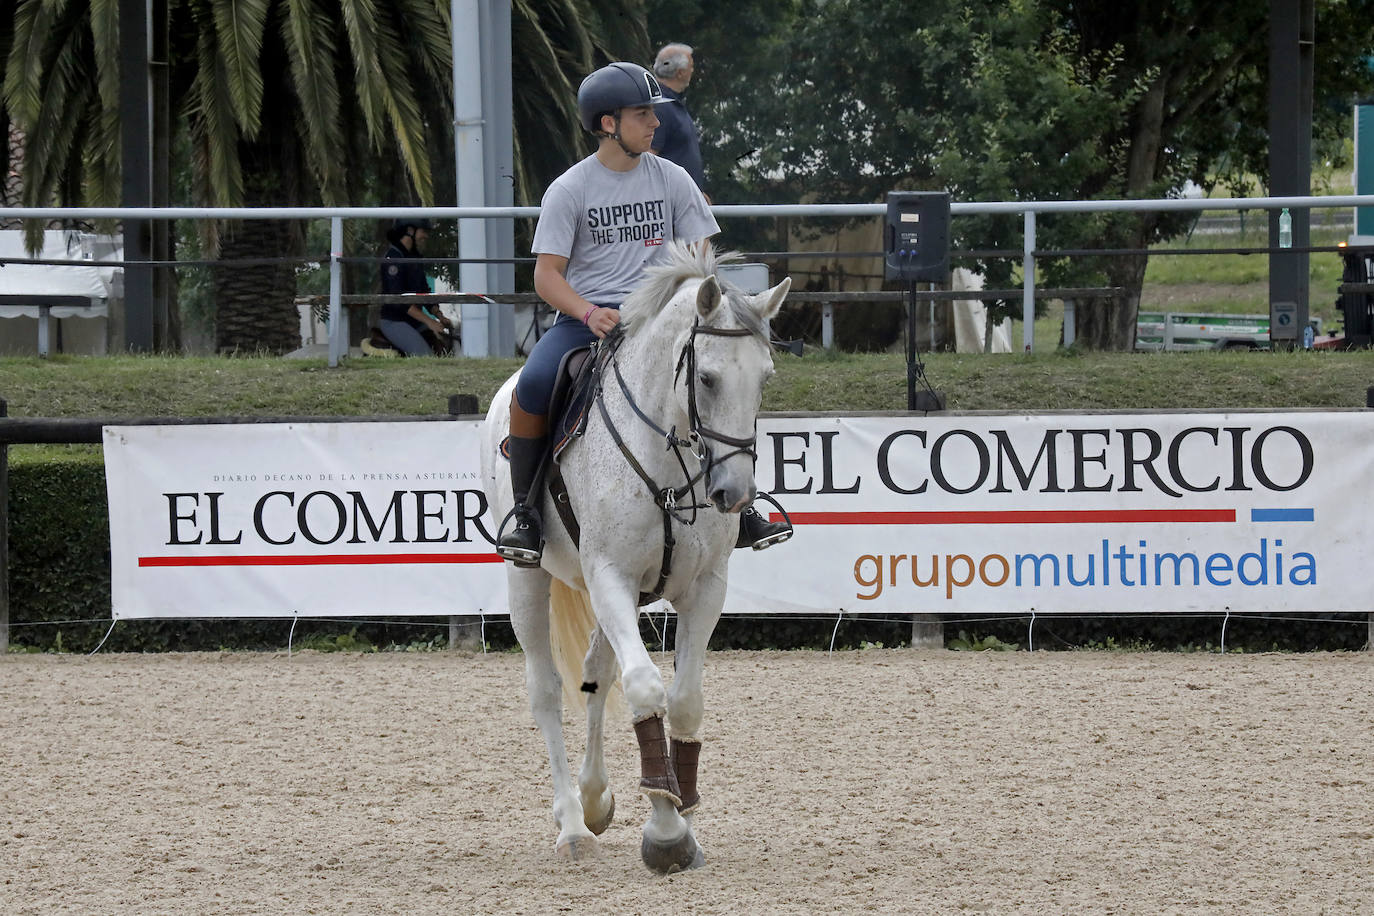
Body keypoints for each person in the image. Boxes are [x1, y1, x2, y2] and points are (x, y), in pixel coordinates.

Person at [495, 62, 790, 566]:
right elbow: (547, 277)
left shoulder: (673, 178)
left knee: (722, 382)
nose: (655, 123)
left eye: (653, 112)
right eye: (642, 114)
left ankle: (742, 510)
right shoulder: (569, 190)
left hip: (663, 320)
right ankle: (525, 514)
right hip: (588, 322)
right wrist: (588, 313)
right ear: (608, 123)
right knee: (534, 386)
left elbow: (701, 257)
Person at [378, 217, 454, 356]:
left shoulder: (414, 258)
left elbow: (424, 293)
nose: (426, 236)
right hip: (395, 321)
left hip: (414, 321)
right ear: (410, 231)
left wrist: (439, 316)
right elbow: (400, 300)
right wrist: (430, 322)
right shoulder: (393, 259)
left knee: (443, 349)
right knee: (425, 357)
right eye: (423, 231)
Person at [649, 43, 707, 194]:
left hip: (684, 200)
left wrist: (696, 193)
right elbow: (648, 158)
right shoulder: (660, 106)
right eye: (691, 66)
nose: (693, 71)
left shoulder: (672, 104)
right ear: (680, 73)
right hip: (671, 205)